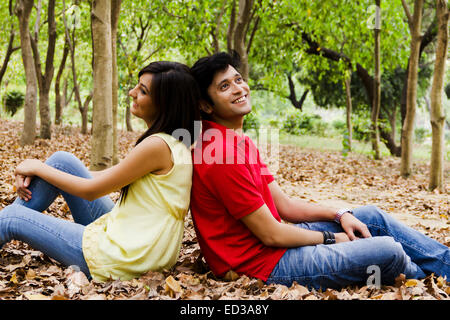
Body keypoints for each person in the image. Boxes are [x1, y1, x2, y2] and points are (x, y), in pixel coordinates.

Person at [189, 51, 450, 290]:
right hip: (260, 265)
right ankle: (428, 285)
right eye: (225, 86)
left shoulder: (237, 141)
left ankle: (447, 268)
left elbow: (285, 207)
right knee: (388, 251)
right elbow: (271, 234)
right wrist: (331, 238)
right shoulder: (221, 153)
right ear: (206, 105)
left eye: (238, 79)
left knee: (370, 218)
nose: (239, 88)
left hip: (272, 248)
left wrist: (340, 214)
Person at [1, 61, 201, 282]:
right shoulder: (176, 142)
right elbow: (107, 178)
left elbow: (91, 191)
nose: (132, 92)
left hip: (126, 256)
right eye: (137, 85)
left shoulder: (157, 146)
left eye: (143, 91)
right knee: (61, 162)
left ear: (165, 104)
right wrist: (43, 170)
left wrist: (37, 167)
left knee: (11, 217)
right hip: (135, 241)